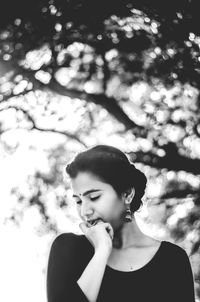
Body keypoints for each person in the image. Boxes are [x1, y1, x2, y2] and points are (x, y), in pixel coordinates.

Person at [46, 145, 195, 302]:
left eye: (94, 197)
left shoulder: (172, 260)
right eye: (78, 201)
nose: (84, 211)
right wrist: (101, 252)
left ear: (127, 194)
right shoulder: (68, 249)